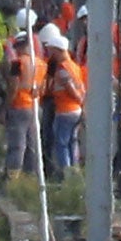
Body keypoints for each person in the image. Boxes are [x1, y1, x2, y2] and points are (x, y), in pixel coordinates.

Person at [42, 23, 86, 172]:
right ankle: (75, 171)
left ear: (58, 50)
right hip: (76, 110)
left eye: (52, 50)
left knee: (61, 143)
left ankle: (66, 173)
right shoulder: (74, 66)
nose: (50, 53)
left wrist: (79, 99)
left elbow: (71, 88)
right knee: (72, 141)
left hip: (66, 110)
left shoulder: (62, 69)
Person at [2, 32, 45, 176]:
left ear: (20, 46)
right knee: (33, 144)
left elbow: (13, 87)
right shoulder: (41, 63)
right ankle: (31, 175)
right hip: (35, 106)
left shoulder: (17, 63)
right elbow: (43, 88)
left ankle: (13, 177)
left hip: (19, 106)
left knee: (17, 144)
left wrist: (5, 108)